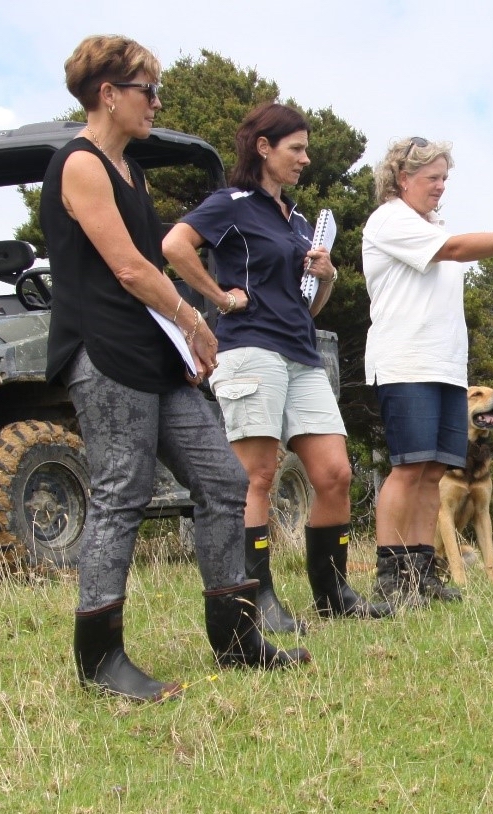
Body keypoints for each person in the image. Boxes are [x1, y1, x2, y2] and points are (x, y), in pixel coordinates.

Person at [44, 35, 308, 703]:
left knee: (223, 481)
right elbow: (131, 269)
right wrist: (196, 320)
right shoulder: (80, 164)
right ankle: (100, 661)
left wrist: (182, 341)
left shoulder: (130, 171)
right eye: (148, 91)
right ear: (109, 94)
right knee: (120, 495)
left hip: (151, 356)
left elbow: (148, 270)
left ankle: (237, 637)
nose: (157, 102)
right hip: (102, 354)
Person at [163, 102, 390, 629]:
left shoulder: (300, 220)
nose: (305, 159)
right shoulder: (231, 204)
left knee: (335, 473)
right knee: (256, 476)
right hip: (248, 350)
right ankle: (255, 599)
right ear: (263, 148)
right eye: (296, 149)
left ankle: (333, 594)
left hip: (301, 353)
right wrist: (217, 297)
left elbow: (305, 305)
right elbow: (175, 245)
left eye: (306, 148)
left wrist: (328, 276)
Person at [360, 136, 493, 606]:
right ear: (402, 178)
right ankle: (392, 577)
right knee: (407, 469)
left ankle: (421, 573)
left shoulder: (431, 224)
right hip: (406, 362)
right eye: (432, 178)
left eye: (445, 178)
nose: (440, 187)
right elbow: (453, 249)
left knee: (433, 472)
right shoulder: (390, 220)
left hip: (446, 368)